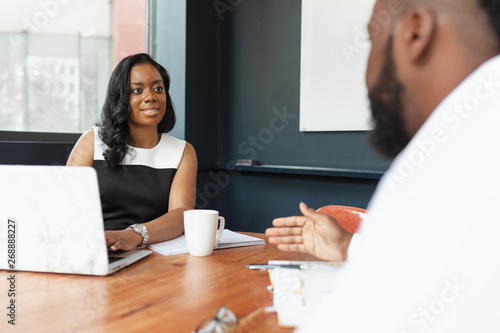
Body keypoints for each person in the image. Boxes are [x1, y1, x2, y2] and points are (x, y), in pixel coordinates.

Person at [266, 0, 500, 331]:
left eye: (371, 39)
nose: (366, 77)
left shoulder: (453, 160)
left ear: (415, 32)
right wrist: (347, 245)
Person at [67, 53, 197, 251]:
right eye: (137, 90)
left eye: (158, 88)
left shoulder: (183, 152)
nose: (150, 97)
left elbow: (181, 214)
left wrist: (135, 235)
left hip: (154, 254)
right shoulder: (91, 142)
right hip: (97, 250)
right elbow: (66, 207)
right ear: (120, 98)